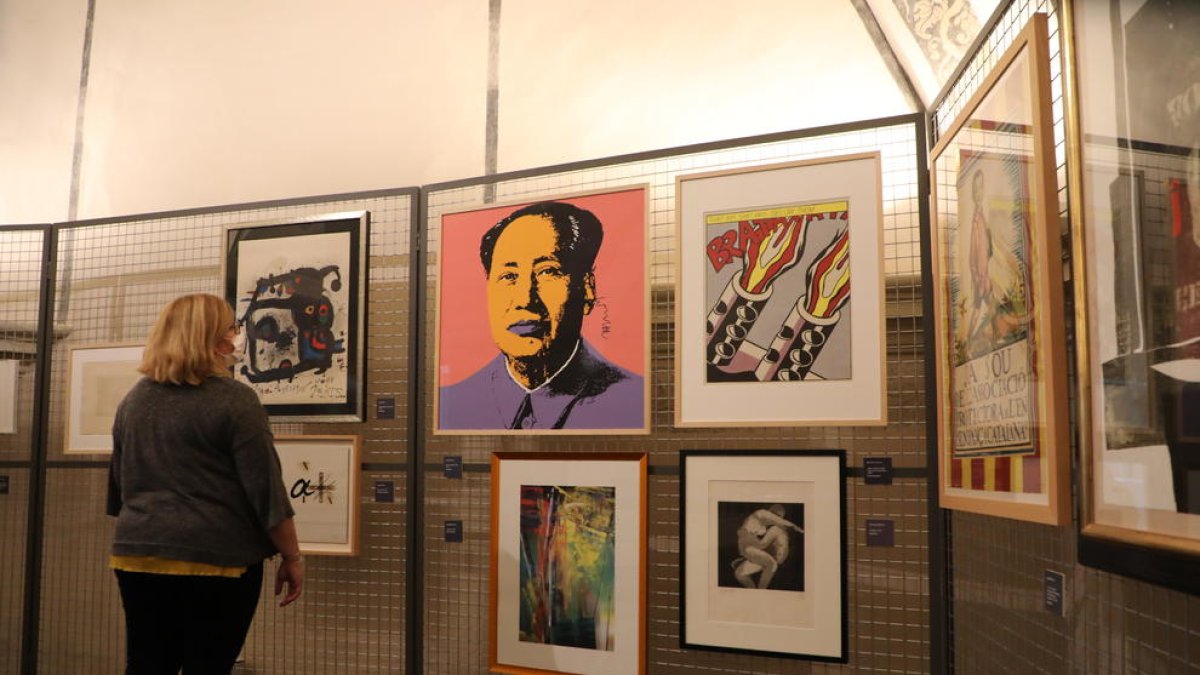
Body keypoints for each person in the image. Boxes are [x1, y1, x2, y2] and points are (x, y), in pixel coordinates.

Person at [106, 293, 303, 674]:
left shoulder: (133, 400)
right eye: (232, 327)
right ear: (212, 339)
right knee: (208, 665)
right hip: (217, 559)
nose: (237, 335)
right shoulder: (235, 399)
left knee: (147, 664)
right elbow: (266, 489)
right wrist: (292, 556)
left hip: (137, 553)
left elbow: (119, 487)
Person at [439, 201, 644, 430]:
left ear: (587, 288)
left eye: (548, 271)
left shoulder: (635, 400)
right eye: (509, 276)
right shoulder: (453, 404)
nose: (525, 299)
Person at [732, 504, 803, 589]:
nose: (776, 521)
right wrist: (800, 529)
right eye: (778, 517)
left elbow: (761, 543)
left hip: (748, 547)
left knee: (739, 573)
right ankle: (762, 591)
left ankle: (754, 591)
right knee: (772, 564)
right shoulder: (763, 513)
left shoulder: (761, 524)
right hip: (748, 546)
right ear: (774, 514)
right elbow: (781, 522)